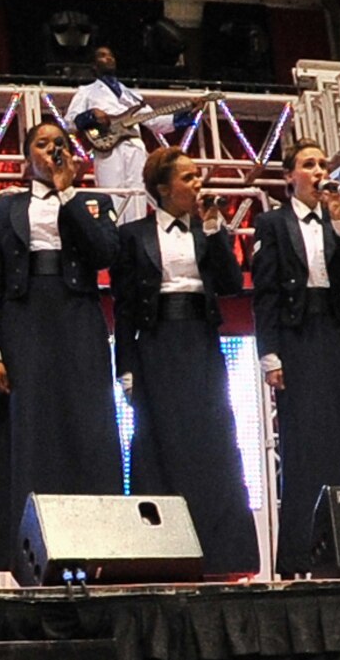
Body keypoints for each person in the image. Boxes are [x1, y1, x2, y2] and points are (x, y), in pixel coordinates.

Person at [0, 120, 122, 574]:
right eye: (42, 144)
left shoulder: (94, 202)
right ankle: (30, 551)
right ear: (26, 157)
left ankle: (99, 548)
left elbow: (106, 255)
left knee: (86, 425)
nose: (52, 150)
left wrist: (67, 195)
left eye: (59, 144)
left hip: (77, 316)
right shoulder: (5, 209)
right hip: (25, 322)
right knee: (31, 430)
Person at [112, 147, 259, 576]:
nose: (198, 184)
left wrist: (217, 233)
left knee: (214, 441)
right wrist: (126, 367)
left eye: (198, 177)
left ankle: (224, 554)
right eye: (189, 178)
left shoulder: (205, 230)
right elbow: (123, 308)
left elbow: (232, 286)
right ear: (163, 188)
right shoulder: (132, 235)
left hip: (200, 342)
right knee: (157, 442)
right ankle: (159, 552)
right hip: (156, 344)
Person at [250, 142, 340, 576]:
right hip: (299, 336)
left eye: (323, 164)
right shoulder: (272, 223)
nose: (319, 171)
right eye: (309, 165)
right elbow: (265, 293)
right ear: (289, 177)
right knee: (305, 443)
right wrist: (270, 353)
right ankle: (301, 553)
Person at [65, 46, 178, 223]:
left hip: (135, 147)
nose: (109, 58)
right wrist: (90, 115)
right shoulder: (86, 91)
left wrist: (188, 113)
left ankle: (134, 241)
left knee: (138, 196)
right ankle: (113, 239)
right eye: (102, 56)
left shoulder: (132, 95)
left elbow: (156, 122)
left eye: (111, 55)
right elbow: (70, 122)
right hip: (108, 146)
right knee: (112, 194)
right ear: (93, 65)